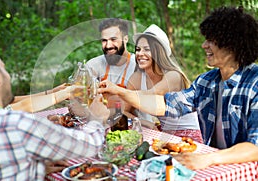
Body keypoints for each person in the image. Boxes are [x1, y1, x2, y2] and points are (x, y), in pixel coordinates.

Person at [98, 6, 258, 168]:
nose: (204, 45)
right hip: (218, 162)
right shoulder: (206, 81)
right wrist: (120, 91)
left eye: (211, 40)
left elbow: (255, 147)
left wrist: (209, 158)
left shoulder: (255, 83)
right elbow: (166, 105)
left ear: (232, 45)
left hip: (247, 167)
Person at [0, 41, 110, 180]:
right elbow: (88, 146)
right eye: (4, 69)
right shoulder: (17, 124)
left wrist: (35, 168)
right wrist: (96, 118)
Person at [124, 24, 202, 143]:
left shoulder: (173, 75)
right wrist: (144, 122)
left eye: (147, 49)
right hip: (166, 133)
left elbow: (151, 96)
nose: (140, 54)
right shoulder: (137, 77)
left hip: (190, 132)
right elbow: (123, 110)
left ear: (158, 52)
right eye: (138, 49)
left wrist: (119, 91)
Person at [86, 18, 136, 108]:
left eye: (113, 39)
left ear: (125, 39)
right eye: (104, 40)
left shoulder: (138, 66)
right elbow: (82, 98)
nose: (108, 46)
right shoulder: (93, 65)